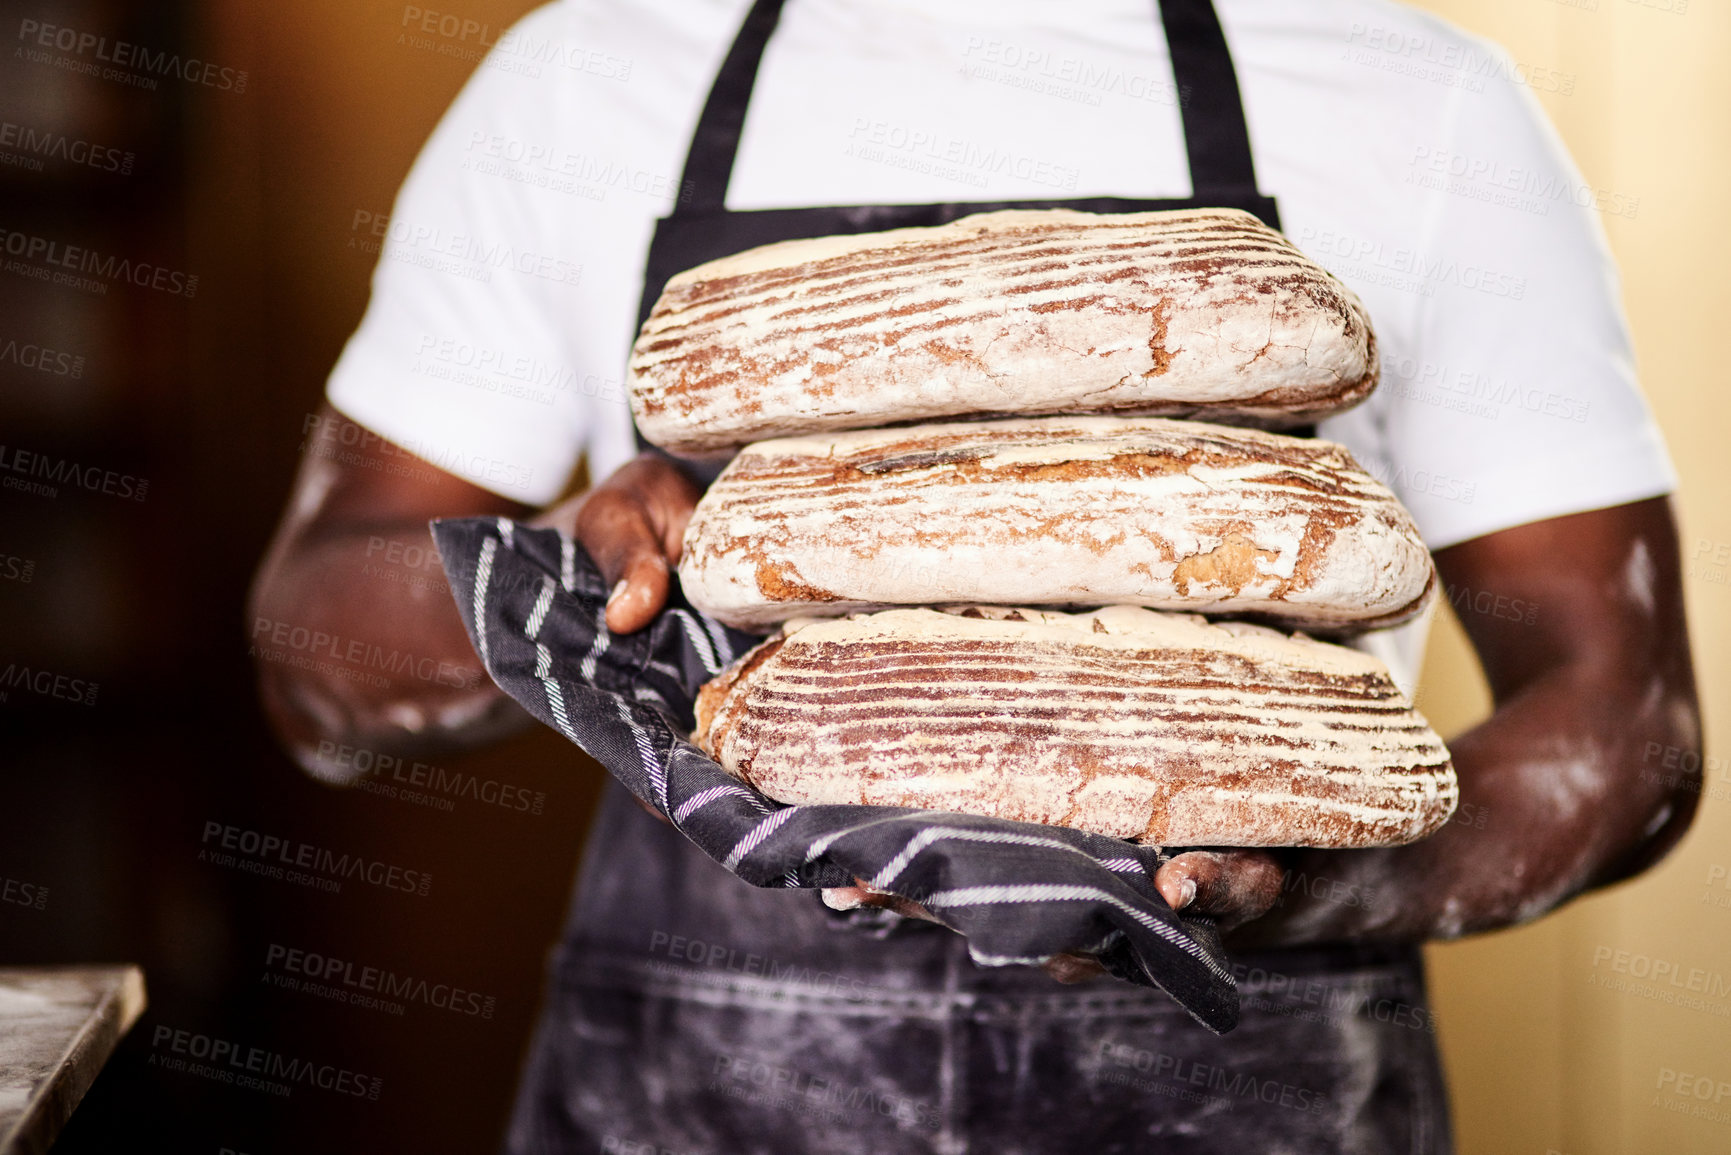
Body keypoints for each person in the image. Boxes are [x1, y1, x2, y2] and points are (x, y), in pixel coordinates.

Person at [249, 1, 1701, 1150]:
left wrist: (1316, 892)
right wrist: (566, 578)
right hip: (698, 1099)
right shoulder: (582, 81)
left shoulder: (1415, 98)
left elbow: (1624, 719)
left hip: (1251, 1092)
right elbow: (317, 659)